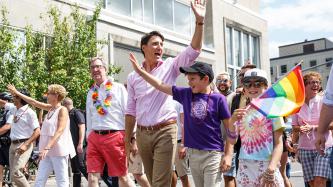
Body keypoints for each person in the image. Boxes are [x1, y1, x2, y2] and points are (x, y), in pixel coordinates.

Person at [124, 1, 207, 186]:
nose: (159, 47)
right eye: (154, 44)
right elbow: (130, 111)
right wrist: (128, 139)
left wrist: (199, 22)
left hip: (165, 131)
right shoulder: (132, 76)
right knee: (154, 181)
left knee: (160, 182)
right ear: (143, 47)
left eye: (161, 44)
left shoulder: (170, 66)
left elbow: (194, 51)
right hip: (142, 134)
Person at [129, 55, 232, 187]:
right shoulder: (186, 94)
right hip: (193, 155)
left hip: (213, 154)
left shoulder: (219, 99)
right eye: (188, 79)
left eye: (192, 79)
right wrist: (140, 72)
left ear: (205, 79)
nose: (189, 82)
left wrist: (228, 155)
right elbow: (160, 85)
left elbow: (231, 128)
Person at [7, 84, 76, 186]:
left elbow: (60, 130)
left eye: (48, 93)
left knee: (62, 180)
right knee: (39, 180)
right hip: (45, 151)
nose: (46, 95)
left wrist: (47, 147)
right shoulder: (50, 108)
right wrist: (17, 93)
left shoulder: (62, 110)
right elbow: (33, 102)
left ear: (56, 95)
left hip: (58, 151)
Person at [227, 68, 285, 187]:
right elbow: (233, 140)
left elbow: (279, 143)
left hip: (267, 164)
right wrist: (232, 121)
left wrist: (272, 168)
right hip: (245, 165)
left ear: (266, 86)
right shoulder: (243, 110)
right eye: (248, 84)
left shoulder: (273, 108)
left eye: (258, 83)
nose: (252, 87)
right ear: (244, 88)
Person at [86, 57, 135, 187]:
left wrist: (132, 137)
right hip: (94, 138)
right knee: (92, 178)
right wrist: (88, 136)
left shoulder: (117, 88)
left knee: (123, 178)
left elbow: (129, 112)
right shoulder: (91, 92)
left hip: (115, 136)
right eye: (92, 67)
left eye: (98, 66)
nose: (95, 69)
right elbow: (89, 117)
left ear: (105, 69)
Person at [292, 72, 333, 187]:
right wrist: (300, 129)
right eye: (312, 82)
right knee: (312, 183)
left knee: (320, 181)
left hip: (324, 146)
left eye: (317, 82)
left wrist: (313, 127)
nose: (315, 85)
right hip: (304, 148)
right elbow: (294, 127)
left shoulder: (324, 102)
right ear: (304, 86)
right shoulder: (297, 105)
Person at [0, 88, 40, 187]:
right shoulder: (14, 108)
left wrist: (25, 145)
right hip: (12, 145)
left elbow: (37, 131)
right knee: (13, 177)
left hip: (23, 144)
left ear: (20, 98)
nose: (12, 98)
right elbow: (2, 102)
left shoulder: (30, 112)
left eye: (14, 96)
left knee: (16, 172)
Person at [63, 97, 88, 187]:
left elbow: (82, 127)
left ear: (65, 105)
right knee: (75, 169)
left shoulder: (76, 112)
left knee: (81, 165)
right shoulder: (69, 114)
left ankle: (94, 182)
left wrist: (80, 143)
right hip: (72, 146)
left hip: (79, 145)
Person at [171, 101, 190, 187]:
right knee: (170, 173)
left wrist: (183, 145)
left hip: (178, 142)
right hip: (166, 142)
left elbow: (184, 124)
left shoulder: (178, 102)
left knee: (183, 176)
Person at [0, 92, 13, 187]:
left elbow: (7, 126)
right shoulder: (3, 112)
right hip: (2, 143)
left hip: (9, 144)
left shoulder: (12, 111)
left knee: (14, 170)